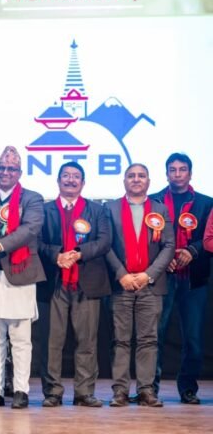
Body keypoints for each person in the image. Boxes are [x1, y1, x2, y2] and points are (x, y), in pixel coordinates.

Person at [0, 146, 45, 410]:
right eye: (2, 168)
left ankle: (21, 390)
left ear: (20, 172)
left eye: (11, 169)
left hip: (20, 271)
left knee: (20, 337)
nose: (6, 172)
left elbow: (30, 229)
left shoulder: (32, 198)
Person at [37, 162, 111, 408]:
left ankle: (84, 392)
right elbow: (36, 241)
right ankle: (52, 392)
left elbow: (104, 241)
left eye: (76, 176)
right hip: (54, 282)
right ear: (58, 181)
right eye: (66, 176)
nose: (70, 180)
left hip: (86, 282)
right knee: (52, 342)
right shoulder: (45, 210)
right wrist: (57, 255)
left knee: (87, 341)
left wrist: (78, 253)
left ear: (83, 182)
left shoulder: (97, 210)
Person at [104, 163, 174, 408]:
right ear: (124, 180)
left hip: (150, 285)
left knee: (148, 340)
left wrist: (149, 275)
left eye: (141, 176)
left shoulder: (160, 209)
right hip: (121, 284)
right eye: (131, 176)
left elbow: (169, 246)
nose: (136, 179)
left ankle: (146, 390)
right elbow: (106, 245)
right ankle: (120, 391)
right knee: (120, 340)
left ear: (148, 181)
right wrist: (121, 274)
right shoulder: (110, 208)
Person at [149, 153, 213, 404]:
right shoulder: (153, 201)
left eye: (182, 169)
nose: (177, 174)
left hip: (193, 279)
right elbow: (145, 239)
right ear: (166, 173)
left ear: (190, 173)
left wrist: (192, 251)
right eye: (172, 170)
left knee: (193, 338)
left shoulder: (207, 203)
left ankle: (188, 389)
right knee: (154, 335)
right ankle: (149, 389)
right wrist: (164, 258)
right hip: (161, 278)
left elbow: (210, 237)